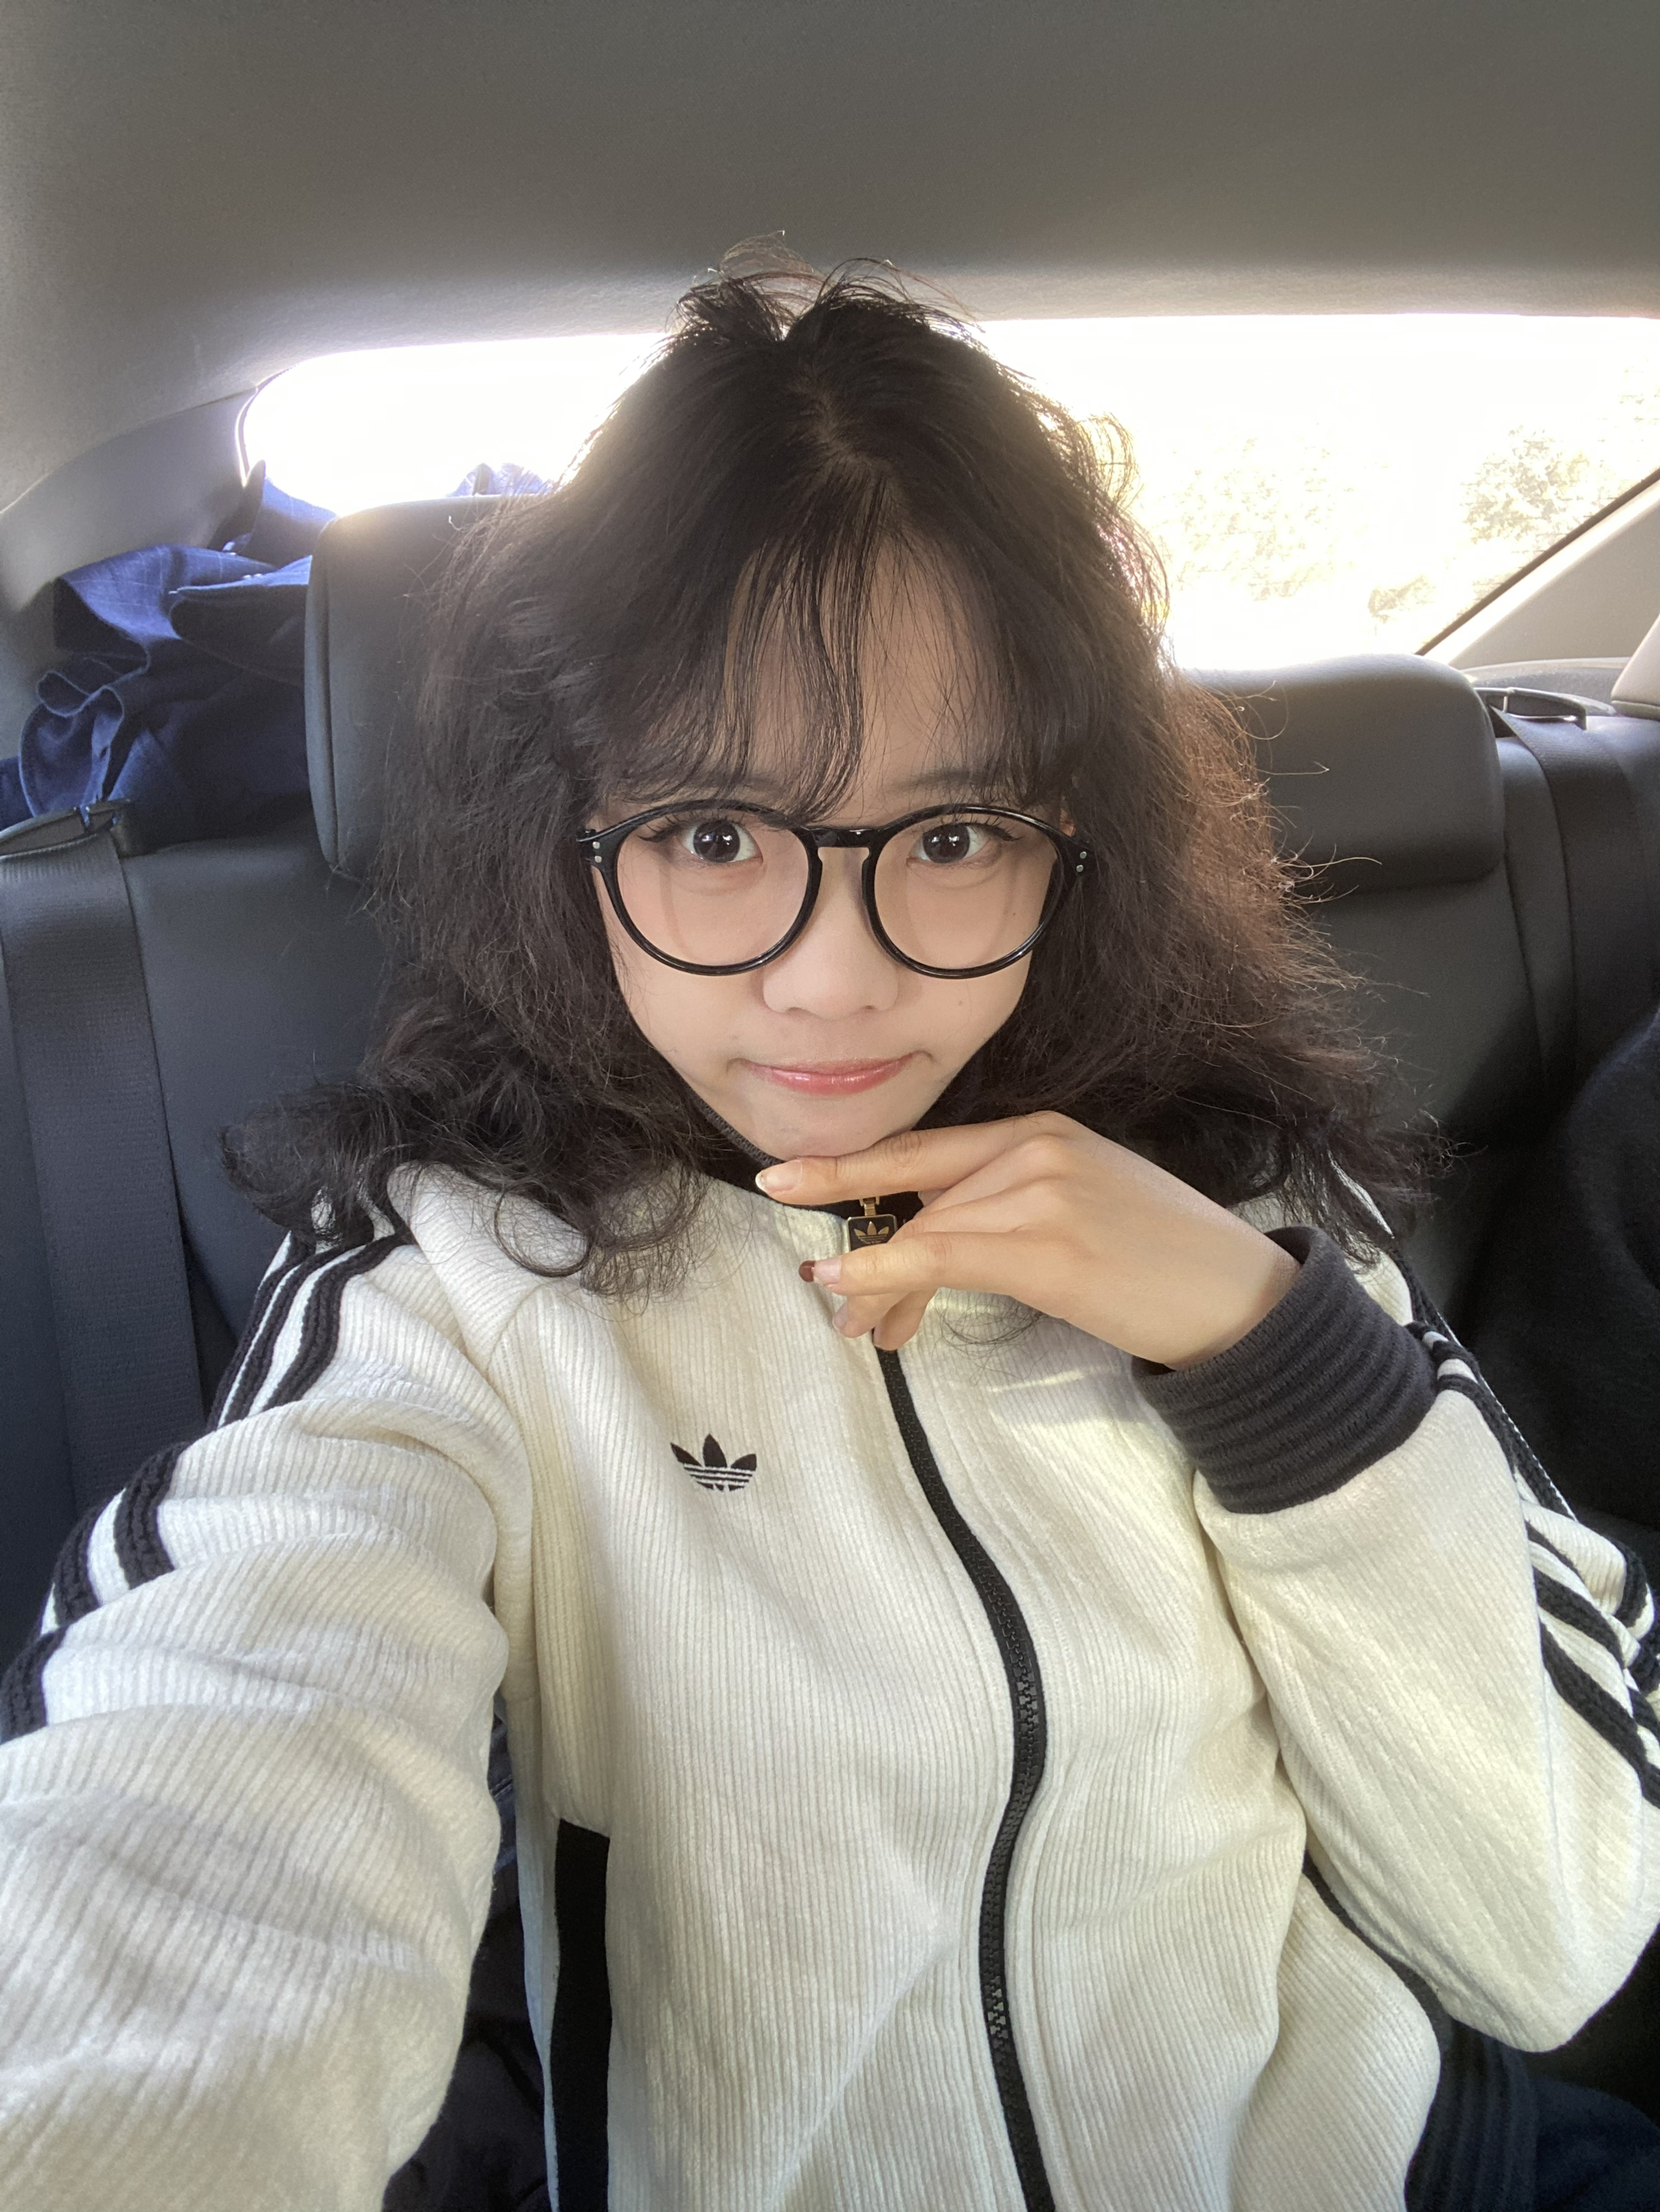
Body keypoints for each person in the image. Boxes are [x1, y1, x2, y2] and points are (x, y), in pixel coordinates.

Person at [2, 258, 1657, 2212]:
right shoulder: (442, 1281)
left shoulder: (1247, 1209)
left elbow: (1552, 1936)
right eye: (712, 836)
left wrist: (1258, 1349)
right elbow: (236, 1737)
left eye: (950, 839)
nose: (830, 981)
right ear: (565, 838)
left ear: (1073, 845)